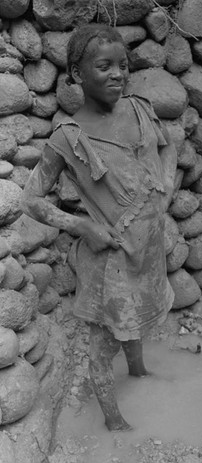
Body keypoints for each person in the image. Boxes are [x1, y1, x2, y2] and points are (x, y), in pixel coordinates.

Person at [21, 23, 177, 431]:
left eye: (123, 65)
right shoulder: (67, 138)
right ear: (76, 74)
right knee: (102, 342)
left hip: (148, 248)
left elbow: (167, 146)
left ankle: (140, 373)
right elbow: (31, 200)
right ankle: (113, 423)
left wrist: (165, 187)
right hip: (109, 260)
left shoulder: (140, 108)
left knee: (136, 320)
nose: (118, 74)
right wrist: (81, 226)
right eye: (104, 66)